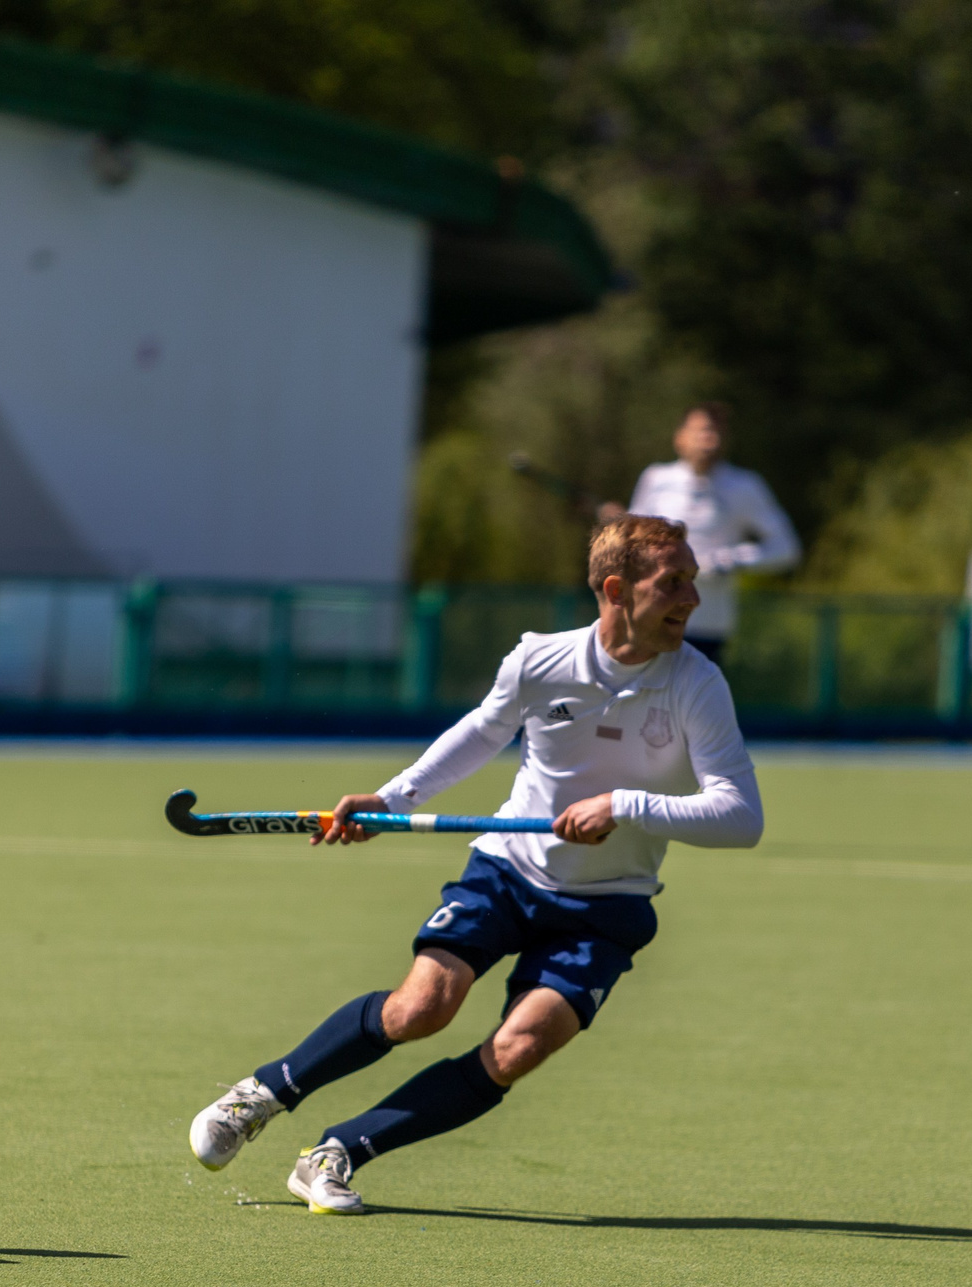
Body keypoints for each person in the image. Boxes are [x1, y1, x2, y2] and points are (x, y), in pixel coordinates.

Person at [186, 514, 763, 1213]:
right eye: (674, 582)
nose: (693, 599)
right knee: (420, 1007)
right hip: (508, 871)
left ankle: (336, 1152)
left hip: (608, 904)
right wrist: (393, 800)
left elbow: (741, 816)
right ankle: (261, 1095)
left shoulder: (697, 684)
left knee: (519, 1047)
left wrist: (625, 804)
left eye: (693, 581)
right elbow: (484, 730)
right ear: (616, 588)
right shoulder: (540, 660)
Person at [620, 404, 800, 668]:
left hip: (708, 625)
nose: (710, 440)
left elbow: (786, 549)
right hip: (652, 619)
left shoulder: (744, 486)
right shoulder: (656, 479)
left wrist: (729, 560)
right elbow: (628, 545)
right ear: (680, 437)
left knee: (692, 706)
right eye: (702, 431)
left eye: (716, 432)